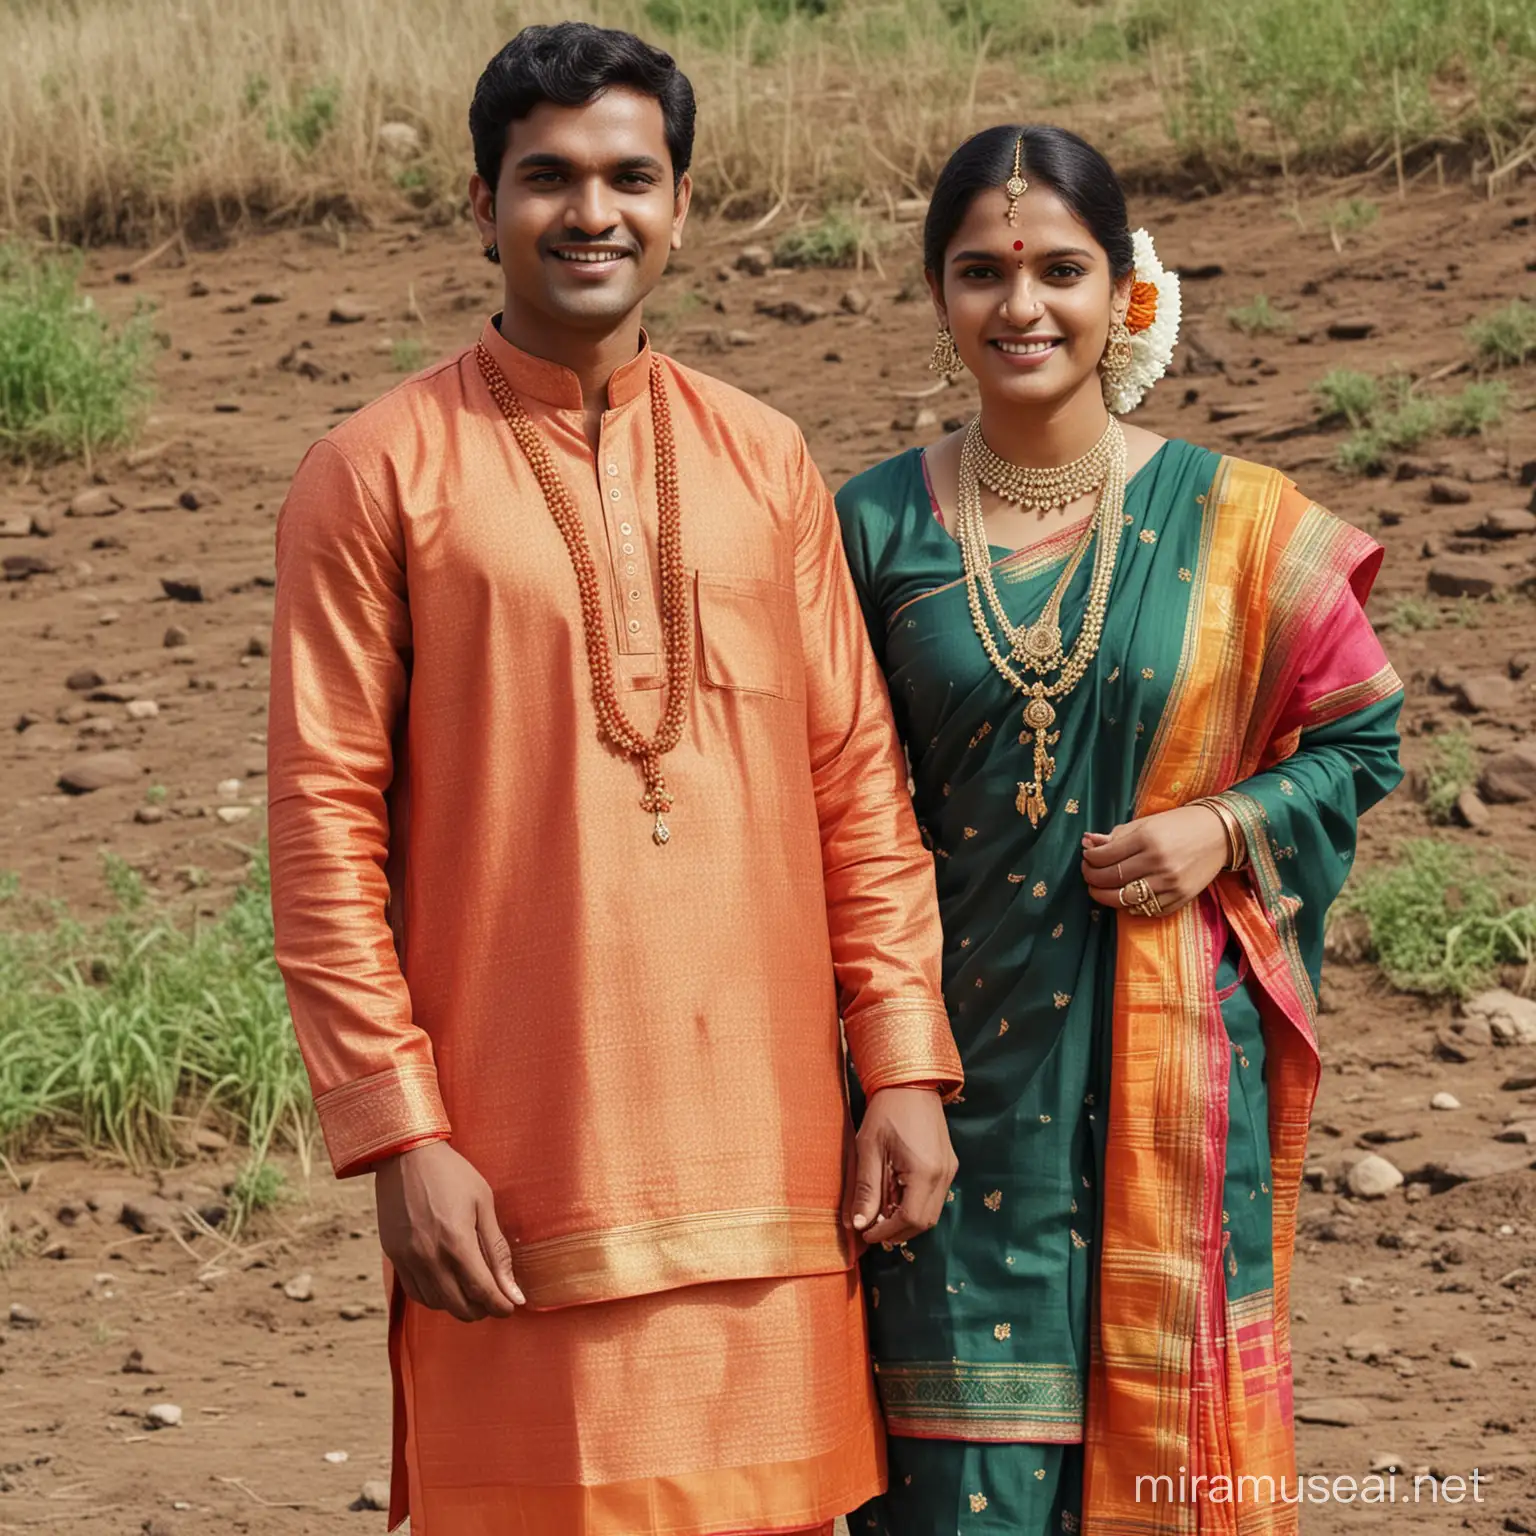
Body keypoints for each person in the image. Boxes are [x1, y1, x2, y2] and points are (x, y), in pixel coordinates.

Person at [265, 22, 963, 1536]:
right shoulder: (375, 471)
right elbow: (321, 829)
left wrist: (901, 1063)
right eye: (550, 179)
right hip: (518, 1186)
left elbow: (855, 783)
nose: (593, 213)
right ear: (483, 204)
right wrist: (399, 1135)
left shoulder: (765, 458)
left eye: (630, 177)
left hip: (770, 1172)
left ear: (684, 204)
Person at [834, 125, 1403, 1535]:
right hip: (945, 1085)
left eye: (1059, 270)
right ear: (939, 296)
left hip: (1168, 1090)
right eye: (981, 272)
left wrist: (1227, 825)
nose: (1021, 306)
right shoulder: (869, 527)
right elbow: (830, 798)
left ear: (1126, 293)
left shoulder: (1239, 521)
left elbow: (1361, 738)